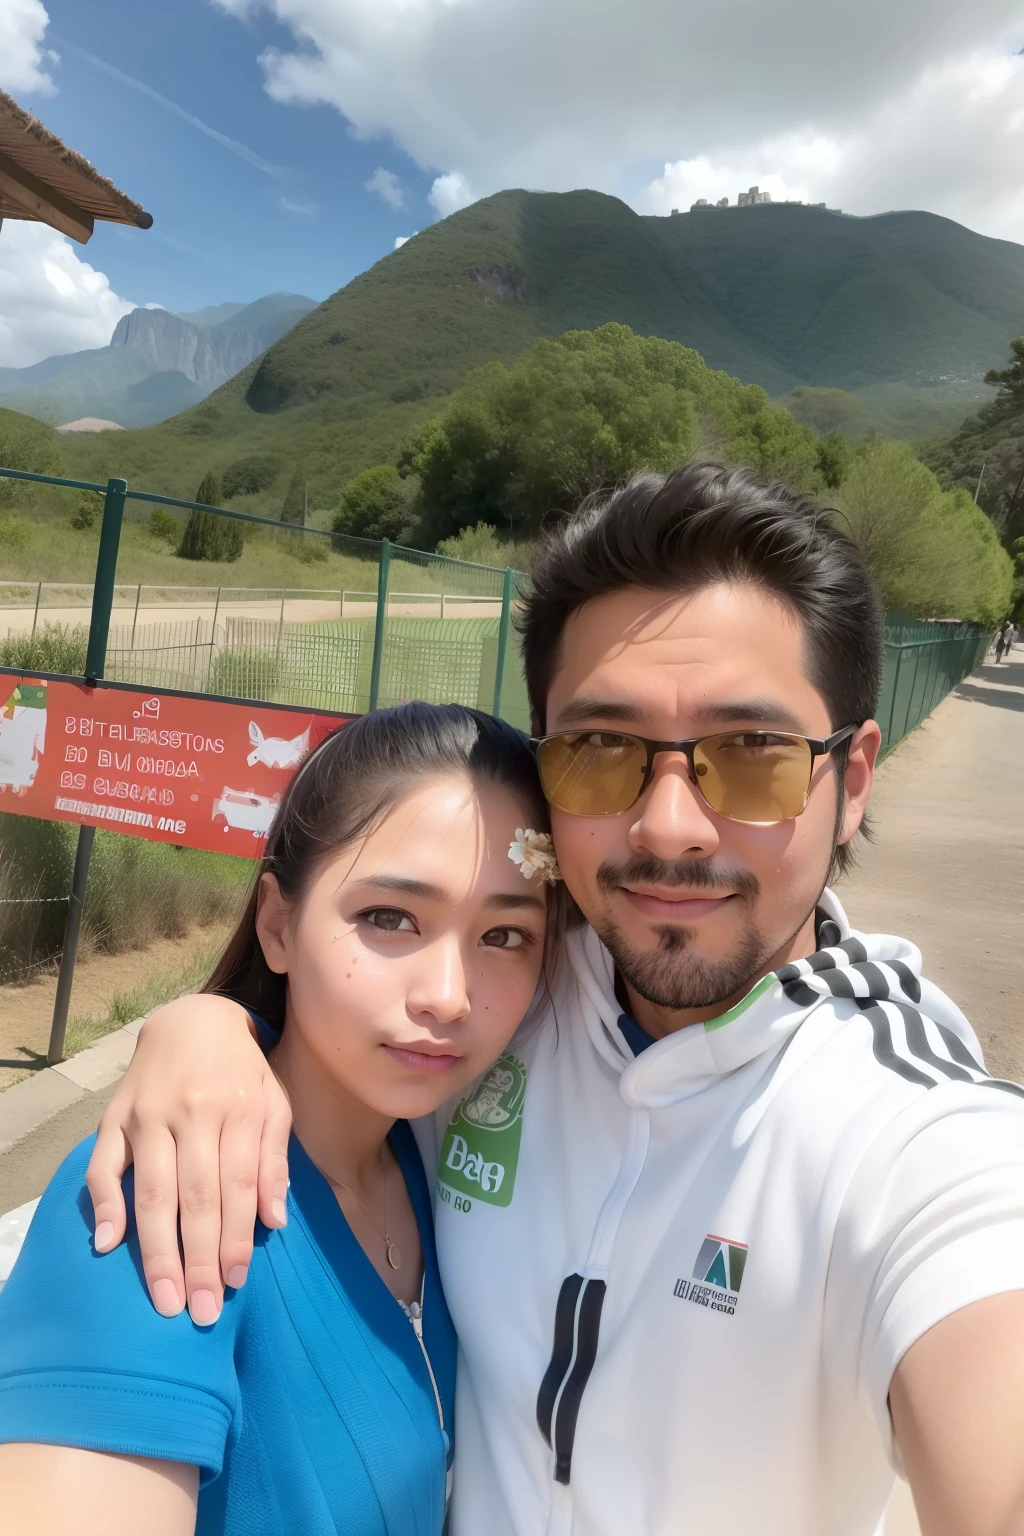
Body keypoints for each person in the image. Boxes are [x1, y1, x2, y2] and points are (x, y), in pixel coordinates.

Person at [78, 463, 1024, 1536]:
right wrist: (203, 1029)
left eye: (752, 756)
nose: (669, 827)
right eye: (603, 752)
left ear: (852, 780)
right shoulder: (504, 981)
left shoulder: (910, 1138)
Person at [0, 703, 557, 1536]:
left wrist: (202, 1020)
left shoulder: (432, 1161)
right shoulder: (162, 1200)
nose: (448, 995)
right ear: (277, 925)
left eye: (505, 934)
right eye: (390, 919)